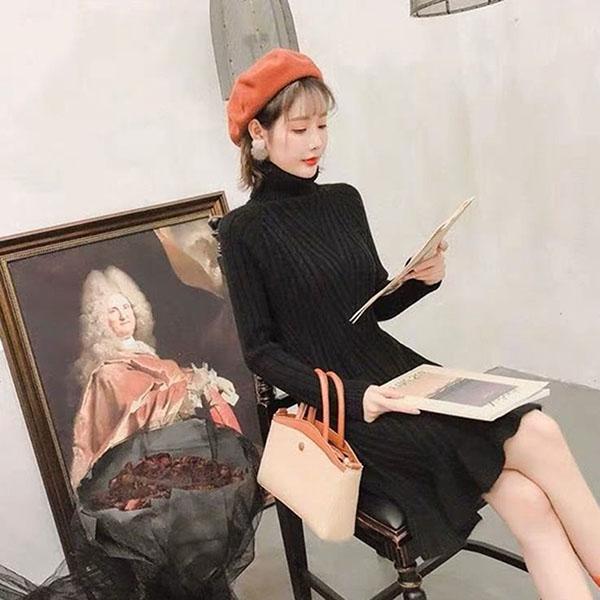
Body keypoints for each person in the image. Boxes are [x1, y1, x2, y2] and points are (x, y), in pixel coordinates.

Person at [217, 48, 600, 598]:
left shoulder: (343, 201)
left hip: (399, 374)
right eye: (299, 129)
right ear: (259, 131)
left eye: (322, 125)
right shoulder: (243, 232)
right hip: (348, 411)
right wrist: (356, 398)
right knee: (537, 443)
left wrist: (420, 279)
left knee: (531, 493)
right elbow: (260, 351)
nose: (316, 141)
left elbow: (371, 305)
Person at [70, 266, 241, 488]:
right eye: (113, 310)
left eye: (126, 307)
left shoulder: (144, 354)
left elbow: (176, 378)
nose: (123, 315)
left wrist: (211, 381)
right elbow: (138, 415)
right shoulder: (107, 373)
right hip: (149, 462)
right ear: (100, 321)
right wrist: (194, 387)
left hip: (175, 446)